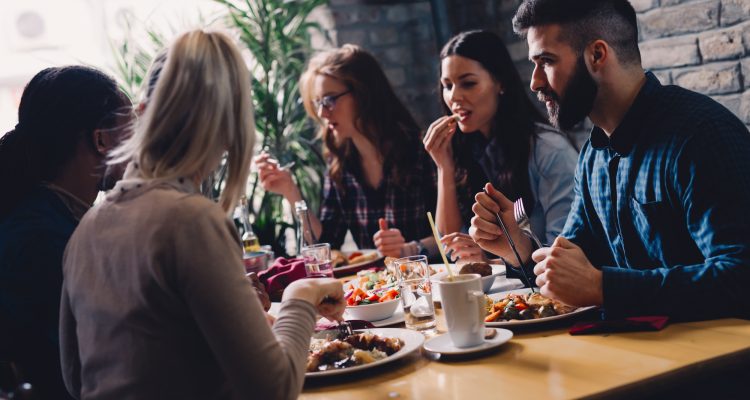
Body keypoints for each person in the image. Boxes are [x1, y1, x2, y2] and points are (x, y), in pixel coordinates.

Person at [59, 30, 345, 399]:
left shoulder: (86, 229)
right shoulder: (192, 220)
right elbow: (273, 389)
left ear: (143, 115)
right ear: (229, 128)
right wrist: (301, 294)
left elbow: (75, 376)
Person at [470, 0, 750, 320]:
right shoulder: (593, 156)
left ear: (597, 55)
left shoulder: (701, 135)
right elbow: (569, 269)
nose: (535, 82)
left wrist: (605, 288)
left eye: (545, 61)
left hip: (712, 364)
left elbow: (741, 277)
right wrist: (516, 245)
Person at [0, 66, 132, 399]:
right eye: (132, 130)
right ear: (101, 140)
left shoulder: (56, 219)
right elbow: (96, 357)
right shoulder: (40, 240)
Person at [255, 44, 437, 258]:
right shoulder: (340, 164)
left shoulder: (422, 151)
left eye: (330, 99)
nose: (322, 113)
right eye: (318, 103)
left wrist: (410, 248)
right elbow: (326, 245)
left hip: (430, 279)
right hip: (377, 287)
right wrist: (291, 192)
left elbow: (453, 232)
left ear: (364, 93)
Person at [421, 30, 577, 264]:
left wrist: (487, 259)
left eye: (468, 83)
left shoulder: (548, 150)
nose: (454, 97)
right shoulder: (466, 149)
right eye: (447, 85)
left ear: (500, 83)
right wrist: (444, 167)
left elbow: (565, 249)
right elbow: (450, 245)